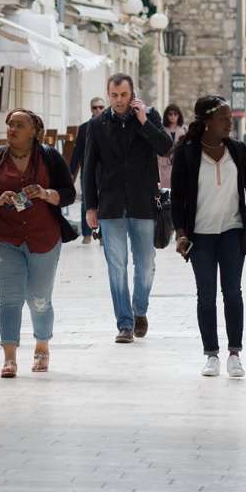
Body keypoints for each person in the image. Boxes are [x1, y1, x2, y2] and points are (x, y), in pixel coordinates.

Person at [171, 96, 246, 378]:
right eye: (223, 118)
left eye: (230, 117)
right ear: (207, 122)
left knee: (232, 293)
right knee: (206, 297)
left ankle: (234, 354)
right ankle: (211, 355)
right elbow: (179, 197)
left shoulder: (238, 150)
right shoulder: (187, 153)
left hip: (233, 232)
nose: (230, 123)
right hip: (201, 237)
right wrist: (181, 235)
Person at [0, 109, 77, 377]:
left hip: (44, 236)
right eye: (10, 124)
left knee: (39, 300)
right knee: (10, 299)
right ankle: (10, 358)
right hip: (4, 237)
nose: (12, 129)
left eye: (19, 125)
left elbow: (69, 194)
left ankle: (41, 347)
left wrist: (45, 193)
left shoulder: (50, 157)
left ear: (33, 131)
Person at [83, 73, 174, 343]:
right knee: (117, 265)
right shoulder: (96, 125)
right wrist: (90, 206)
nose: (119, 100)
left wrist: (144, 121)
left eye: (124, 95)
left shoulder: (150, 116)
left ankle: (139, 311)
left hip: (143, 201)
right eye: (114, 95)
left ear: (132, 93)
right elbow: (89, 169)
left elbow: (166, 147)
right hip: (111, 204)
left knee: (145, 265)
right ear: (108, 94)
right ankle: (124, 323)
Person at [69, 97, 106, 242]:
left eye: (101, 107)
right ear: (91, 109)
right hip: (88, 170)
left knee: (104, 201)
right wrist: (71, 170)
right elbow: (77, 150)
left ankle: (103, 235)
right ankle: (86, 234)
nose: (98, 110)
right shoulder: (84, 127)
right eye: (95, 107)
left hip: (105, 170)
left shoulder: (109, 125)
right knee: (87, 201)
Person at [158, 103, 185, 187]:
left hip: (180, 161)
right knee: (166, 188)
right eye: (170, 114)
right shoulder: (162, 130)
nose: (173, 116)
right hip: (165, 162)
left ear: (179, 115)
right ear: (167, 115)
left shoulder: (184, 130)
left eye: (175, 114)